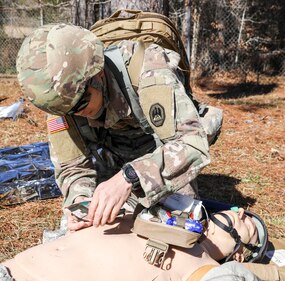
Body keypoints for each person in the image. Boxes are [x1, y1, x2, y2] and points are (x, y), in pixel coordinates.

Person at [16, 23, 214, 231]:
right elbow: (71, 167)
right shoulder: (65, 99)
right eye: (68, 111)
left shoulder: (150, 71)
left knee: (177, 227)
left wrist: (128, 177)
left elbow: (192, 142)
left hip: (162, 149)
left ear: (98, 75)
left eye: (82, 103)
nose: (77, 114)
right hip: (116, 151)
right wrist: (80, 200)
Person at [0, 208, 271, 281]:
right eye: (241, 210)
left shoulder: (210, 272)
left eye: (249, 225)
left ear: (239, 255)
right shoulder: (161, 217)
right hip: (7, 270)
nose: (241, 213)